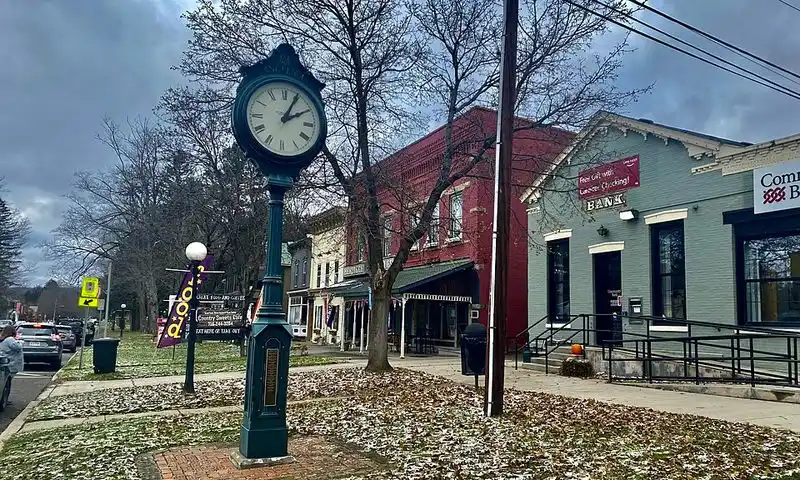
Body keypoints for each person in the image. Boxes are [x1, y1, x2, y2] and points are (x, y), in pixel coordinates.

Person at [0, 325, 23, 403]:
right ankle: (4, 398)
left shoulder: (4, 339)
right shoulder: (10, 339)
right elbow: (18, 347)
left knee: (5, 381)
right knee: (6, 382)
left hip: (6, 362)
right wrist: (20, 342)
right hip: (10, 363)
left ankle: (4, 398)